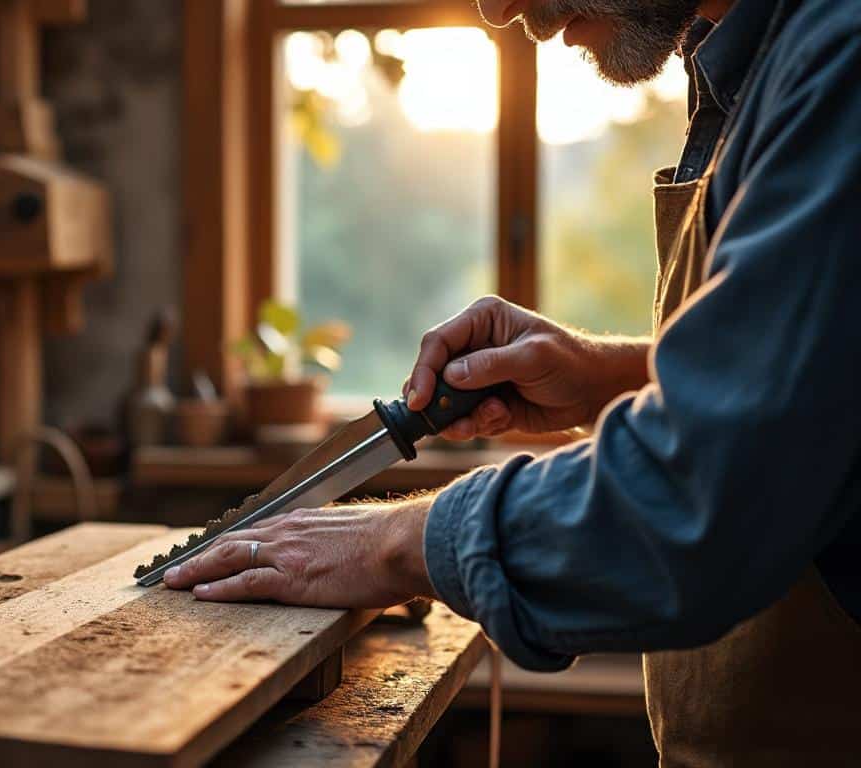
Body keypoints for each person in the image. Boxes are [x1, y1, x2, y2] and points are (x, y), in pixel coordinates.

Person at [164, 0, 861, 763]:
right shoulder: (753, 64)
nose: (497, 11)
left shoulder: (840, 58)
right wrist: (609, 379)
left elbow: (705, 506)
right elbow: (816, 391)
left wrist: (400, 541)